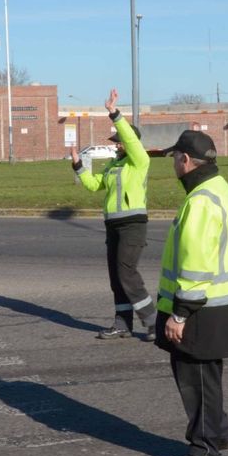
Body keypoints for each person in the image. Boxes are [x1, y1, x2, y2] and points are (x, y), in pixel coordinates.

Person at [154, 129, 228, 456]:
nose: (174, 163)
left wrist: (180, 314)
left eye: (176, 157)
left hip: (201, 308)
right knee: (207, 379)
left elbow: (196, 262)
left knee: (196, 382)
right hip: (220, 305)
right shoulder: (220, 188)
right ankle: (219, 432)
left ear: (186, 160)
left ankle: (203, 451)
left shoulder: (201, 200)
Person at [71, 89, 155, 340]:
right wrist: (78, 167)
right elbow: (94, 185)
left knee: (126, 272)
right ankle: (122, 324)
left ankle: (153, 322)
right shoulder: (113, 165)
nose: (116, 144)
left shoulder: (139, 161)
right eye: (115, 141)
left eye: (119, 141)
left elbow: (130, 140)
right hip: (113, 225)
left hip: (133, 224)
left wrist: (115, 114)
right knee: (116, 277)